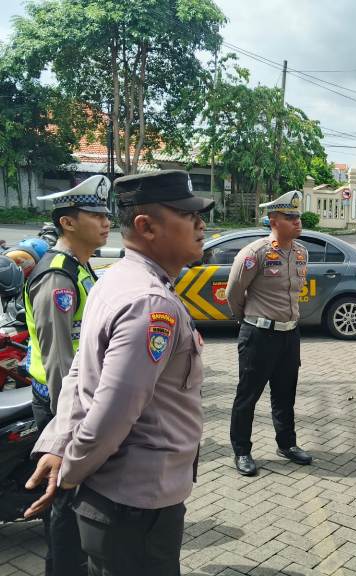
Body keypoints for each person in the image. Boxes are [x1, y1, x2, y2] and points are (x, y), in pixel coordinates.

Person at [24, 169, 214, 576]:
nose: (202, 225)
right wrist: (70, 474)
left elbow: (79, 373)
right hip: (136, 505)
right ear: (146, 227)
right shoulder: (150, 302)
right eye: (189, 215)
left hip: (121, 499)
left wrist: (61, 447)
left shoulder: (114, 280)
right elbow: (112, 413)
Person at [23, 175, 111, 576]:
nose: (106, 221)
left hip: (77, 402)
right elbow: (58, 359)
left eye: (107, 214)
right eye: (95, 214)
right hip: (61, 406)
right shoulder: (58, 276)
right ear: (68, 223)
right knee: (63, 499)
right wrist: (69, 426)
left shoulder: (80, 267)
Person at [226, 190, 312, 476]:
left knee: (285, 393)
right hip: (259, 335)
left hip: (290, 335)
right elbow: (234, 293)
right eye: (290, 217)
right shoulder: (254, 254)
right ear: (273, 219)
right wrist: (248, 321)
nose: (297, 222)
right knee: (248, 395)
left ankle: (286, 444)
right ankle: (242, 450)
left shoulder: (301, 252)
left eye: (298, 216)